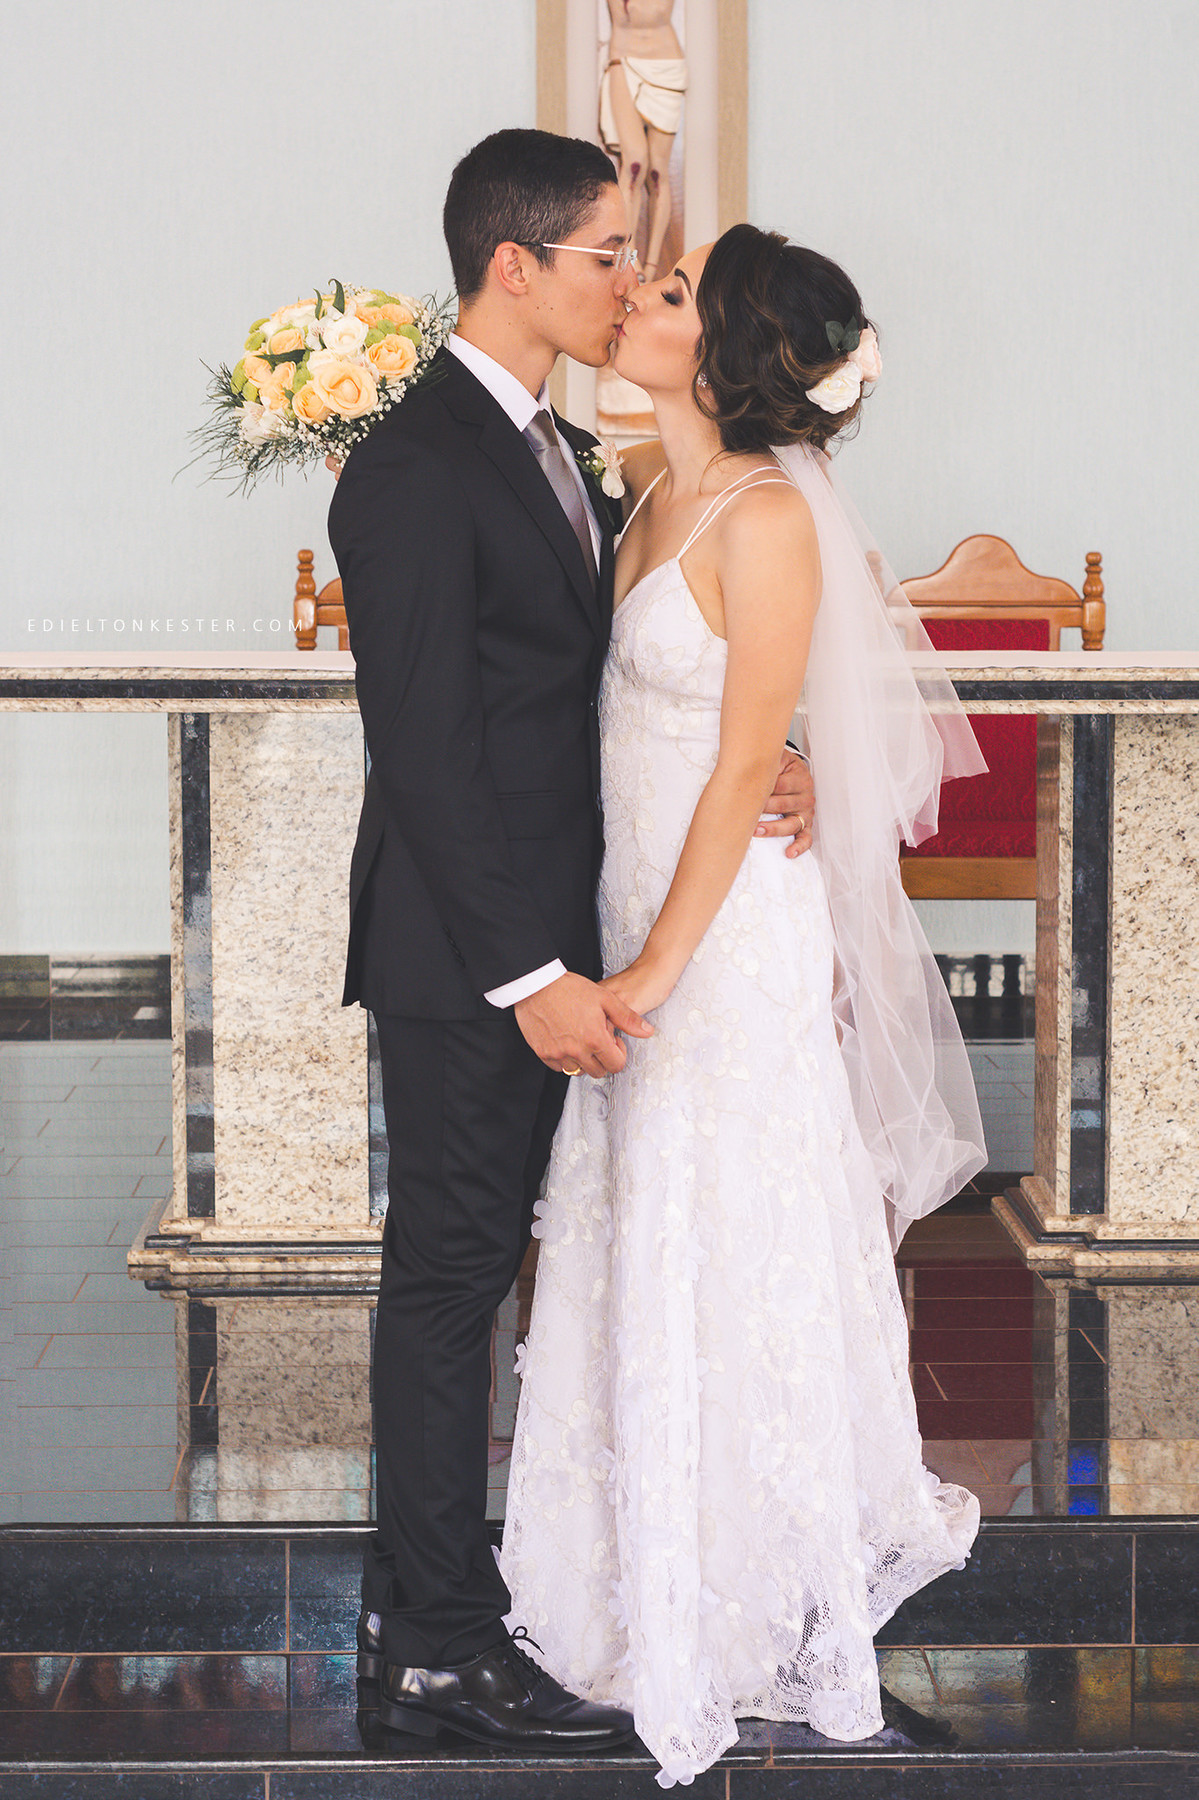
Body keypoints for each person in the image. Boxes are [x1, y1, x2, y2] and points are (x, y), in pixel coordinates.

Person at [327, 135, 815, 1750]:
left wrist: (775, 755)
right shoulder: (410, 465)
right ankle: (436, 1650)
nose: (627, 278)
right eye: (609, 252)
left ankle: (436, 1607)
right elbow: (425, 751)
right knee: (448, 1283)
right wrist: (526, 978)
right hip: (478, 960)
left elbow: (601, 691)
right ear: (514, 267)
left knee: (476, 1275)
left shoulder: (550, 448)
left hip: (549, 933)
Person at [500, 225, 988, 1786]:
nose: (634, 299)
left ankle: (779, 1612)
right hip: (631, 921)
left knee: (749, 1247)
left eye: (664, 293)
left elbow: (736, 763)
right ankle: (650, 1598)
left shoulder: (767, 520)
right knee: (647, 1242)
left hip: (717, 951)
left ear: (713, 350)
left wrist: (651, 970)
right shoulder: (646, 490)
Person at [600, 0, 686, 281]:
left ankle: (651, 267)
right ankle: (628, 255)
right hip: (623, 62)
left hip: (667, 67)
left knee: (657, 171)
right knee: (634, 162)